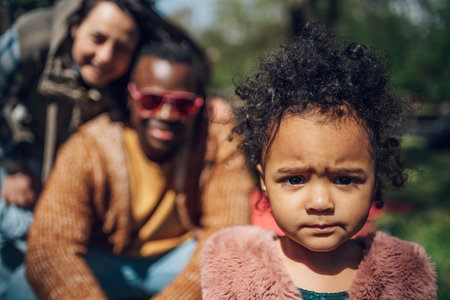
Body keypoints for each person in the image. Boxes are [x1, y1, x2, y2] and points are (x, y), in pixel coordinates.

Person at [200, 21, 437, 299]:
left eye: (345, 179)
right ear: (264, 180)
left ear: (375, 177)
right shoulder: (234, 268)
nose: (321, 203)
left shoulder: (402, 277)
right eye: (295, 179)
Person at [20, 32, 253, 300]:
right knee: (22, 287)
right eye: (151, 100)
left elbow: (227, 235)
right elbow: (50, 248)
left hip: (178, 261)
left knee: (249, 266)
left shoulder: (219, 141)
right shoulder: (88, 147)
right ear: (131, 96)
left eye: (182, 104)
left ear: (199, 106)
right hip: (105, 261)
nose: (165, 115)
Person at [0, 0, 170, 295]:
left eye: (121, 48)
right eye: (98, 38)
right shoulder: (29, 40)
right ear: (75, 27)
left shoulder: (129, 82)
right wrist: (13, 167)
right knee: (14, 226)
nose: (105, 57)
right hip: (14, 158)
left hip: (58, 179)